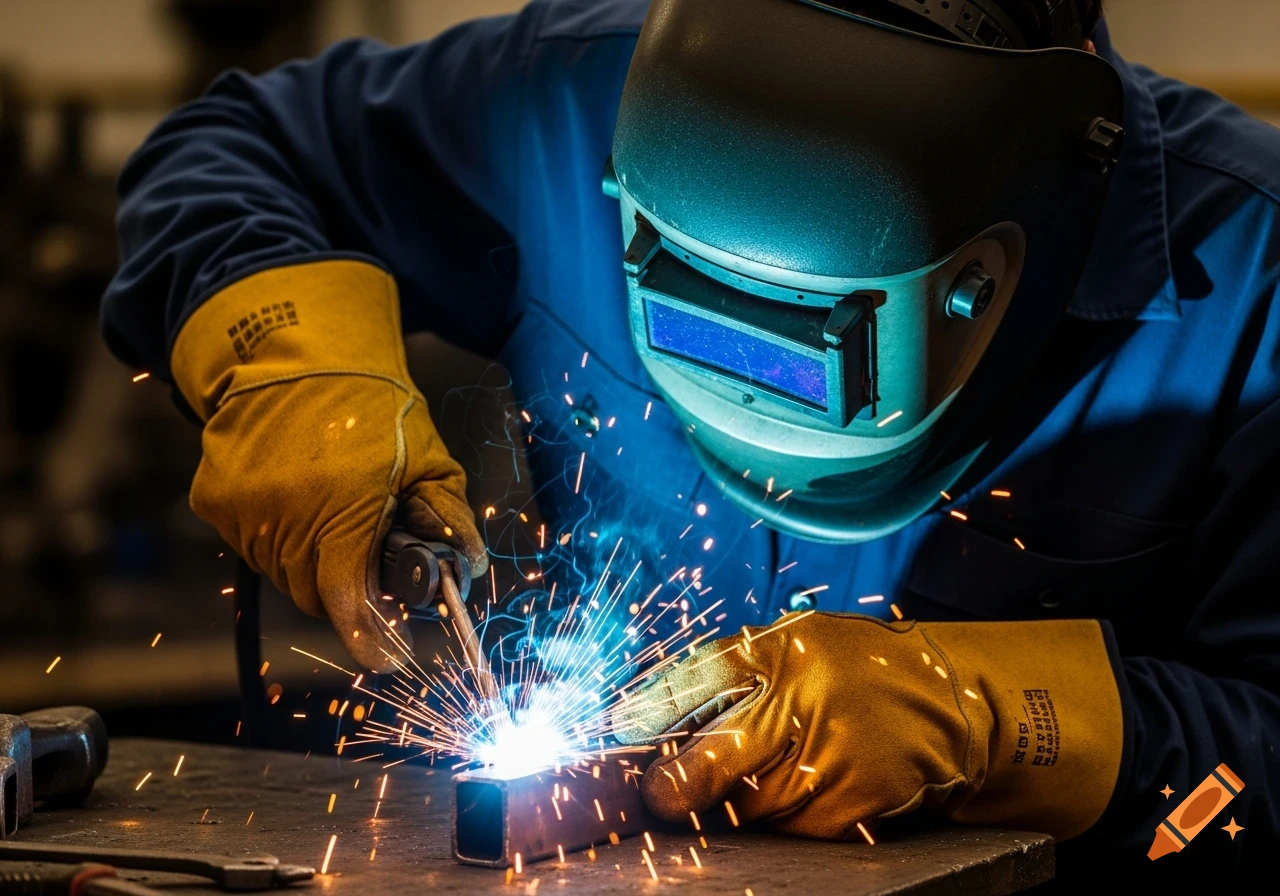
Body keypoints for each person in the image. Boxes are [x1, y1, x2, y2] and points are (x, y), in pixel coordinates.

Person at [101, 0, 1278, 884]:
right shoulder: (558, 103)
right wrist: (287, 361)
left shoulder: (1255, 287)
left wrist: (994, 712)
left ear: (985, 273)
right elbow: (236, 143)